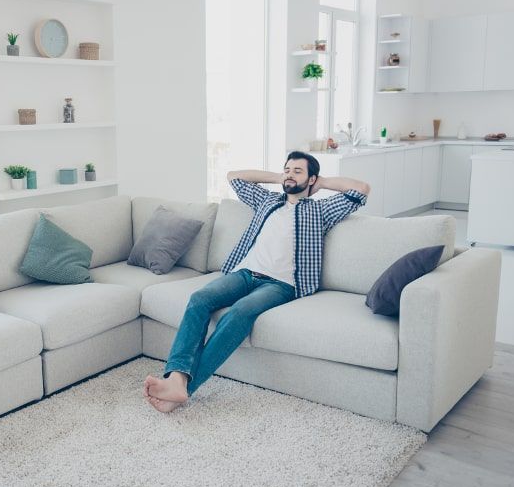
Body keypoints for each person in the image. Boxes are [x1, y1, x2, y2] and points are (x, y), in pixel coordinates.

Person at [143, 151, 370, 413]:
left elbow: (361, 190)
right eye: (287, 169)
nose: (289, 174)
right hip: (244, 273)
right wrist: (280, 178)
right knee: (199, 299)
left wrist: (321, 183)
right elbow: (234, 177)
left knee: (239, 312)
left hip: (280, 285)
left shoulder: (320, 210)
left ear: (311, 179)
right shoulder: (268, 200)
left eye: (297, 171)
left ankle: (185, 388)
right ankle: (177, 379)